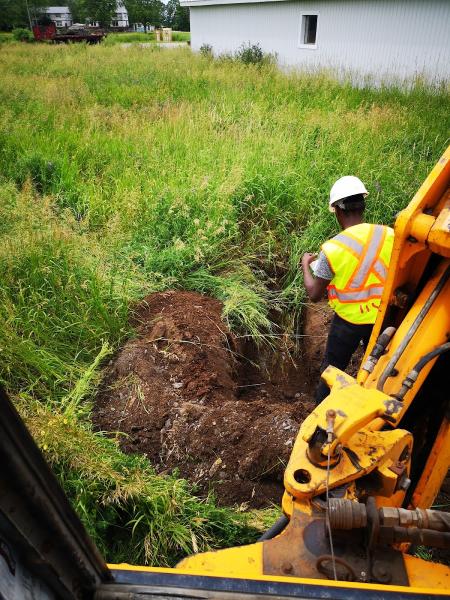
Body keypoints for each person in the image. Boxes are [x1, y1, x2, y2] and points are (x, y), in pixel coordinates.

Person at [301, 176, 394, 405]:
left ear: (337, 212)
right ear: (362, 206)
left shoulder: (333, 249)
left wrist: (305, 264)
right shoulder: (390, 234)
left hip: (348, 322)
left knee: (332, 370)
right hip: (383, 317)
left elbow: (314, 294)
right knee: (380, 366)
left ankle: (320, 413)